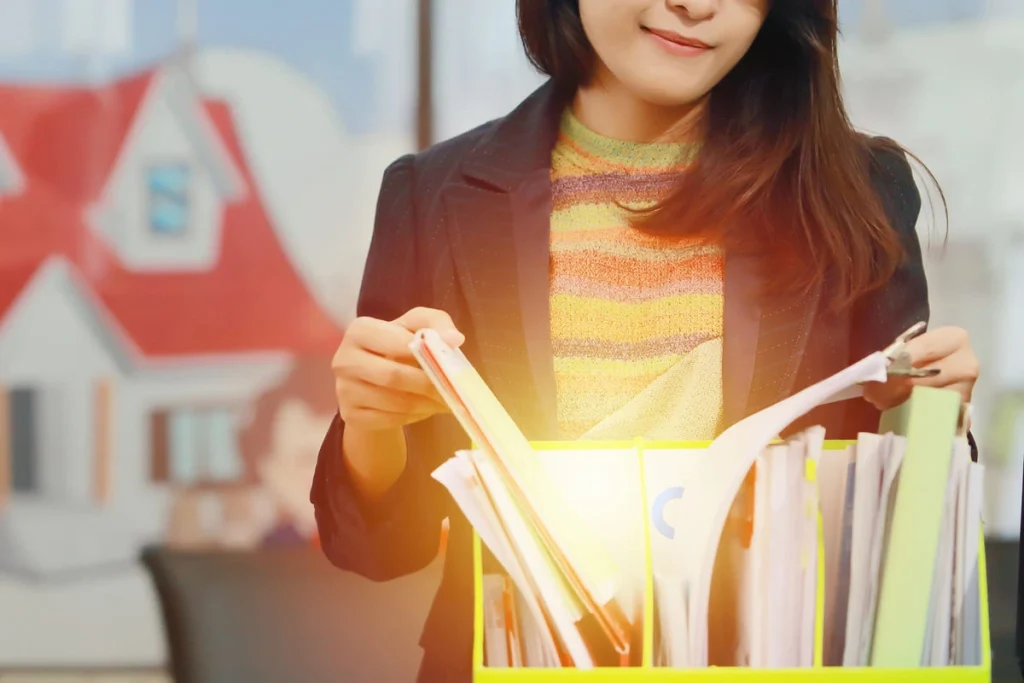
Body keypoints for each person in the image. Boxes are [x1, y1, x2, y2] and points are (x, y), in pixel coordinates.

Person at [311, 1, 980, 680]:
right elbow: (378, 548)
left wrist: (929, 418)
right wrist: (371, 425)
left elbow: (896, 533)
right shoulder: (435, 195)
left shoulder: (852, 191)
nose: (696, 4)